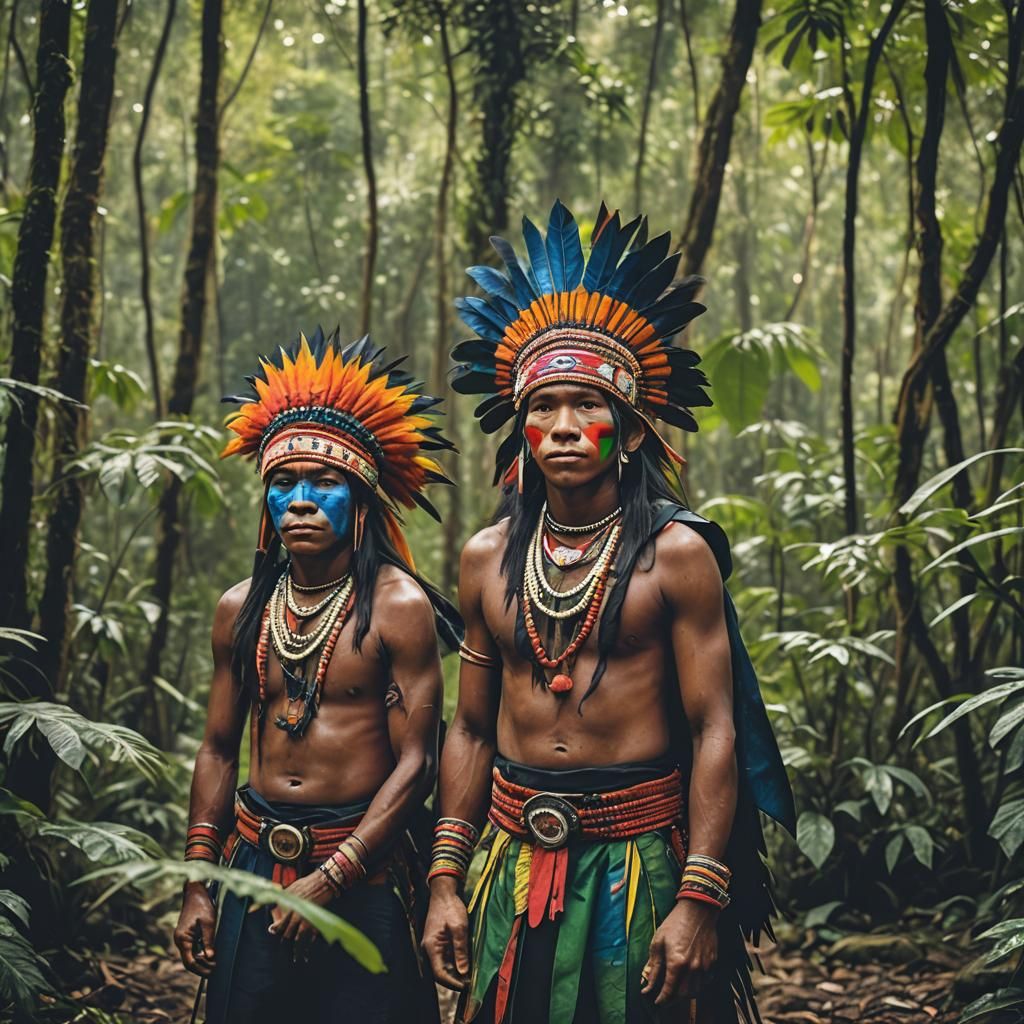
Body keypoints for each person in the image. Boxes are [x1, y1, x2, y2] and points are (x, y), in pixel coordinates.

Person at [422, 201, 796, 1024]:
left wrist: (697, 898)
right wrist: (446, 879)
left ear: (627, 432)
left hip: (637, 864)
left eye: (587, 406)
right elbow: (472, 729)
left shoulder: (677, 555)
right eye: (543, 406)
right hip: (512, 859)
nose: (563, 427)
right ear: (520, 429)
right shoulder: (486, 558)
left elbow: (715, 729)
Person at [172, 328, 460, 1023]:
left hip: (364, 869)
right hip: (255, 860)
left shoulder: (398, 607)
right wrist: (198, 883)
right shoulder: (241, 610)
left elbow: (419, 762)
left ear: (360, 501)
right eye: (283, 484)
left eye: (324, 483)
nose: (300, 500)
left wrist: (334, 876)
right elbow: (218, 748)